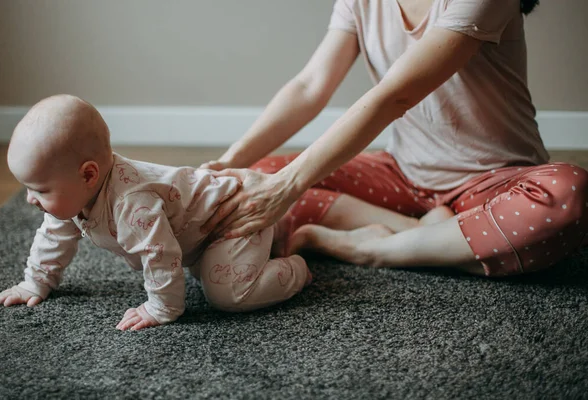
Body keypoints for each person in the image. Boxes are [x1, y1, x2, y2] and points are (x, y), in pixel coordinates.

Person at [199, 0, 588, 277]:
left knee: (568, 194)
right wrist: (230, 162)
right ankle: (435, 238)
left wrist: (287, 187)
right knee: (263, 172)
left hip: (493, 184)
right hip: (403, 178)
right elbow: (309, 87)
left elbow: (396, 95)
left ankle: (377, 248)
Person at [0, 94, 322, 331]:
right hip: (200, 236)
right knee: (203, 272)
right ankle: (273, 240)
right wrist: (35, 283)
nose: (29, 199)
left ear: (88, 175)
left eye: (40, 189)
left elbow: (161, 255)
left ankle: (295, 268)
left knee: (227, 294)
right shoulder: (74, 198)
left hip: (234, 219)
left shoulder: (131, 204)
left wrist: (161, 307)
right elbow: (53, 237)